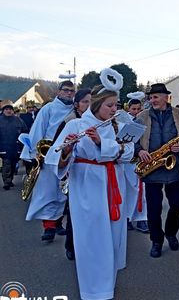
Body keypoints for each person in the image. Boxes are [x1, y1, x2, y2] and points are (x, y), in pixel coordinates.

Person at [45, 69, 134, 300]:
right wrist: (66, 149)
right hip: (87, 188)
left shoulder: (119, 124)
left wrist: (103, 144)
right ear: (96, 105)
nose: (114, 110)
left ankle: (108, 285)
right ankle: (93, 291)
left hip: (114, 184)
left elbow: (129, 151)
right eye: (109, 106)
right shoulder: (76, 125)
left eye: (116, 105)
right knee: (93, 239)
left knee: (113, 237)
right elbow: (57, 160)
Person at [135, 83, 179, 258]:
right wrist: (139, 151)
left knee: (178, 206)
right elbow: (131, 139)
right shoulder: (141, 117)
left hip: (175, 169)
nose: (152, 100)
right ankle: (156, 240)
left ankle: (171, 233)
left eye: (156, 97)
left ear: (166, 97)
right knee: (154, 209)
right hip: (152, 169)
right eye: (151, 97)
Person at [22, 80, 76, 243]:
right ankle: (48, 226)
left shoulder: (75, 110)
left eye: (71, 91)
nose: (69, 93)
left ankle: (58, 223)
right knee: (47, 192)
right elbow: (37, 130)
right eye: (66, 90)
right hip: (47, 156)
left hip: (66, 155)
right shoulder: (48, 109)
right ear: (59, 92)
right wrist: (33, 156)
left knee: (63, 193)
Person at [56, 88, 92, 260]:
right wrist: (68, 148)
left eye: (91, 102)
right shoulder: (70, 121)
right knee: (74, 211)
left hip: (93, 175)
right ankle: (71, 245)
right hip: (75, 172)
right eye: (85, 102)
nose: (89, 105)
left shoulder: (99, 120)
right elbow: (58, 149)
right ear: (77, 105)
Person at [123, 92, 149, 234]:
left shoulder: (144, 120)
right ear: (129, 109)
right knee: (127, 190)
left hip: (141, 160)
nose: (136, 112)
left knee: (142, 191)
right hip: (127, 161)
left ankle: (141, 219)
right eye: (134, 109)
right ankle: (126, 218)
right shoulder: (123, 120)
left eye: (139, 109)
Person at [0, 103, 28, 190]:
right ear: (3, 111)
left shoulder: (18, 120)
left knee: (13, 165)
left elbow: (25, 131)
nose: (8, 111)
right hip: (4, 146)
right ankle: (6, 182)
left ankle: (10, 179)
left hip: (16, 147)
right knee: (6, 164)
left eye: (10, 109)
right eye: (6, 109)